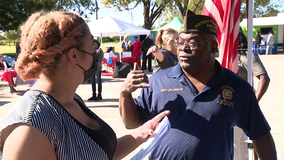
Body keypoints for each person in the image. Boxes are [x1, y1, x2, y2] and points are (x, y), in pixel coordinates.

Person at [0, 10, 170, 160]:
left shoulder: (70, 98)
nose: (96, 53)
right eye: (92, 45)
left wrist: (142, 132)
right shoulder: (30, 127)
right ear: (74, 55)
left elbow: (98, 153)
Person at [119, 10, 277, 159]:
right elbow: (132, 123)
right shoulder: (157, 81)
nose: (184, 49)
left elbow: (261, 135)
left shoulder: (237, 87)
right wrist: (125, 94)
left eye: (193, 43)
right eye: (180, 42)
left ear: (213, 47)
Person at [234, 28, 271, 160]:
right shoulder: (228, 56)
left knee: (238, 141)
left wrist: (253, 102)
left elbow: (264, 78)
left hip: (243, 102)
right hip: (229, 101)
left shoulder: (246, 56)